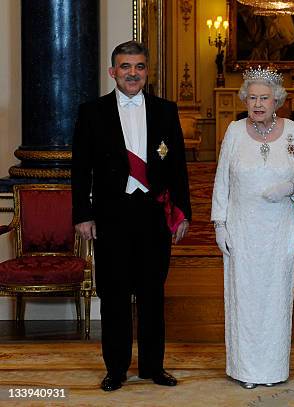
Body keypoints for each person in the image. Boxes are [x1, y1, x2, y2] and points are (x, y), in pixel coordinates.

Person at [72, 41, 191, 392]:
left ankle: (154, 367)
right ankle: (117, 369)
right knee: (114, 295)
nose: (132, 73)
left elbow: (178, 168)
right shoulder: (92, 112)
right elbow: (80, 170)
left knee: (153, 294)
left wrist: (181, 213)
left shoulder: (165, 111)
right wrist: (83, 214)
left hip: (154, 214)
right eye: (125, 67)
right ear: (113, 72)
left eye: (139, 66)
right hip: (111, 216)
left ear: (147, 72)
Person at [211, 67, 294, 389]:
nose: (258, 104)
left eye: (265, 98)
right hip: (242, 228)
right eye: (252, 97)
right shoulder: (233, 131)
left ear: (278, 101)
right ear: (245, 99)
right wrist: (220, 224)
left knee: (275, 299)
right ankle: (245, 370)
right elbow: (222, 181)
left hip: (277, 230)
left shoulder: (293, 131)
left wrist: (289, 188)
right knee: (244, 298)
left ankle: (272, 370)